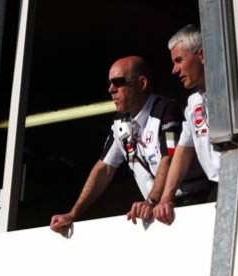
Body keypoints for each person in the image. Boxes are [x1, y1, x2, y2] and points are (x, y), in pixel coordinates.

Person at [49, 56, 184, 234]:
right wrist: (73, 214)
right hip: (157, 211)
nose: (111, 89)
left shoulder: (167, 110)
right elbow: (104, 169)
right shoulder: (120, 122)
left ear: (142, 83)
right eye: (110, 83)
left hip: (189, 204)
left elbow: (170, 158)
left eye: (118, 82)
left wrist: (152, 201)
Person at [153, 24, 221, 226]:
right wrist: (166, 199)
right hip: (218, 187)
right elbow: (182, 151)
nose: (174, 70)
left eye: (179, 60)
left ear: (201, 55)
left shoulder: (232, 96)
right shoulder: (193, 103)